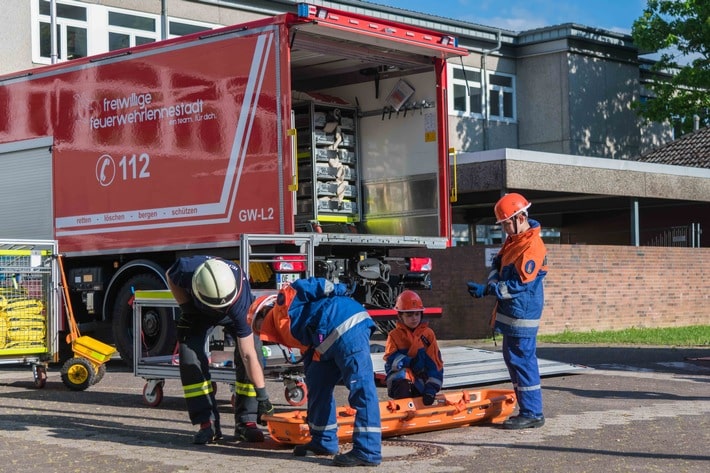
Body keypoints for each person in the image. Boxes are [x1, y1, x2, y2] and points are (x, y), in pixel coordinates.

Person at [250, 277, 382, 467]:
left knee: (360, 388)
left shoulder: (283, 303)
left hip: (347, 325)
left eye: (257, 326)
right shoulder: (281, 325)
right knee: (317, 384)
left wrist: (339, 289)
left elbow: (313, 286)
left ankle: (367, 451)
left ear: (264, 311)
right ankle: (323, 441)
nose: (258, 332)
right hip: (325, 341)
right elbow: (308, 335)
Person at [165, 256, 274, 444]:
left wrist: (263, 395)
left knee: (252, 350)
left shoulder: (240, 301)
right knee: (189, 357)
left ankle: (246, 423)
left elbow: (248, 355)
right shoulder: (185, 269)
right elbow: (170, 277)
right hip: (198, 311)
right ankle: (207, 424)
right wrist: (187, 309)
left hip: (232, 313)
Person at [466, 192, 548, 430]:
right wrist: (490, 285)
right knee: (514, 360)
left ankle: (532, 412)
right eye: (501, 224)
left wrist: (488, 290)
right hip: (512, 312)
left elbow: (520, 285)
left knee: (522, 361)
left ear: (519, 217)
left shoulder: (532, 246)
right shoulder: (515, 240)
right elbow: (497, 264)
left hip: (522, 313)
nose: (503, 229)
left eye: (505, 223)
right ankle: (528, 410)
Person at [383, 290, 444, 405]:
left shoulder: (428, 334)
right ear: (400, 316)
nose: (414, 318)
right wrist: (409, 362)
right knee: (402, 384)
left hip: (421, 381)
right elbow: (390, 360)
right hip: (401, 381)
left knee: (422, 394)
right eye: (409, 315)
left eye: (417, 314)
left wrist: (431, 390)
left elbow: (435, 365)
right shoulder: (394, 335)